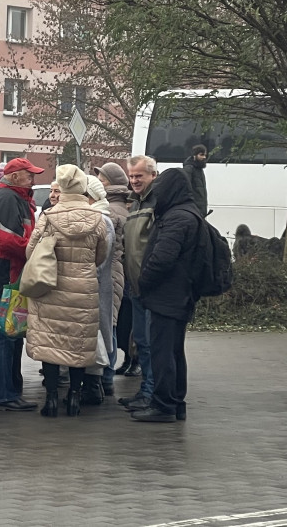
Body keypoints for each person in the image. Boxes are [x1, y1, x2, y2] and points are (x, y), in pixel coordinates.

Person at [25, 165, 109, 417]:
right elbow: (101, 255)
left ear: (61, 188)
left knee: (51, 344)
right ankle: (74, 397)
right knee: (78, 345)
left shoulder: (49, 217)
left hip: (50, 287)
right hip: (83, 289)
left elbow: (30, 251)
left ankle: (50, 399)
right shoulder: (96, 218)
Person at [0, 157, 44, 412]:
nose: (33, 179)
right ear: (15, 177)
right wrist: (37, 248)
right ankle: (2, 394)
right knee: (4, 334)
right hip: (2, 274)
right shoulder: (10, 200)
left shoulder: (2, 198)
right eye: (29, 175)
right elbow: (9, 241)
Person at [132, 168, 202, 423]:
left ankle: (163, 405)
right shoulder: (188, 213)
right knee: (173, 351)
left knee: (163, 351)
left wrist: (144, 281)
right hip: (180, 294)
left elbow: (162, 258)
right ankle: (175, 402)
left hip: (168, 296)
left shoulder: (177, 218)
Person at [119, 155, 159, 412]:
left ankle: (152, 392)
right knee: (142, 343)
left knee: (152, 344)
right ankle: (146, 390)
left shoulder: (158, 203)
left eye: (139, 176)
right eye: (131, 176)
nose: (134, 181)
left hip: (151, 288)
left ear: (153, 175)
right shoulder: (136, 204)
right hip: (135, 287)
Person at [80, 175, 118, 405]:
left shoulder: (103, 221)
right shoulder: (98, 219)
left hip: (95, 288)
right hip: (92, 287)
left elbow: (100, 261)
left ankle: (96, 385)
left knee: (98, 336)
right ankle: (95, 384)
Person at [95, 162, 129, 394]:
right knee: (110, 324)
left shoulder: (110, 211)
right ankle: (105, 376)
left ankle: (106, 376)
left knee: (108, 325)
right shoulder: (121, 207)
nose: (99, 181)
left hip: (110, 272)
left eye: (103, 179)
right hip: (116, 271)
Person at [182, 144, 209, 217]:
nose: (204, 157)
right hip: (194, 209)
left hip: (199, 209)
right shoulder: (189, 168)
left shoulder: (199, 168)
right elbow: (186, 188)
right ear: (195, 155)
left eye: (205, 155)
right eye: (201, 155)